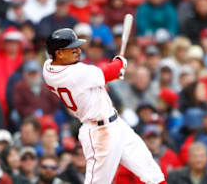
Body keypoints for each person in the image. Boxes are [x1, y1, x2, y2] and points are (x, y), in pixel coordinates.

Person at [42, 28, 166, 183]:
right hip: (99, 133)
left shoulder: (48, 68)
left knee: (151, 171)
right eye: (72, 49)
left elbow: (98, 77)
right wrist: (119, 63)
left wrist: (113, 72)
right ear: (59, 53)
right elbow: (107, 72)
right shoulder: (74, 73)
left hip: (116, 125)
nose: (78, 51)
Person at [0, 27, 25, 118]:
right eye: (9, 41)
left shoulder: (24, 59)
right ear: (4, 43)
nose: (12, 45)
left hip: (20, 104)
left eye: (15, 42)